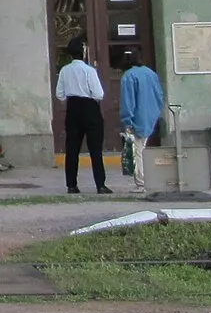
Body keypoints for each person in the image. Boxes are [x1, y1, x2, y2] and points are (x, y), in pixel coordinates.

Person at [54, 37, 109, 194]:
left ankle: (71, 185)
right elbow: (99, 94)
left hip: (72, 108)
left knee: (72, 148)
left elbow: (59, 94)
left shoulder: (64, 70)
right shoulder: (89, 71)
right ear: (83, 53)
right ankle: (100, 184)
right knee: (95, 149)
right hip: (89, 107)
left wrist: (70, 98)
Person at [117, 56, 165, 196]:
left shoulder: (129, 76)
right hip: (150, 116)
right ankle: (146, 180)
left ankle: (142, 182)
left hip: (136, 118)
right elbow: (159, 95)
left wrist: (127, 121)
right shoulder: (150, 73)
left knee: (137, 151)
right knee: (142, 148)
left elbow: (128, 101)